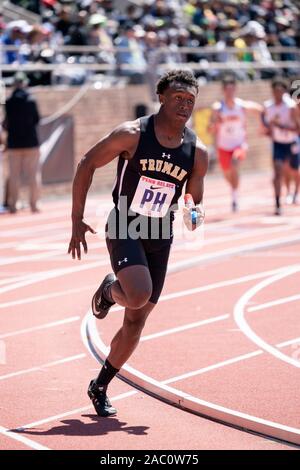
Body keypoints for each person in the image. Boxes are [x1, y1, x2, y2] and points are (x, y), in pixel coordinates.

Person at [68, 69, 208, 417]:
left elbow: (195, 200)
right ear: (161, 96)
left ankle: (99, 385)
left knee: (136, 320)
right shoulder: (133, 134)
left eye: (190, 101)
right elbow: (87, 163)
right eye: (178, 97)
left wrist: (195, 215)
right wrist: (76, 218)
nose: (184, 105)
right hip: (125, 223)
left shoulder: (197, 151)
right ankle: (108, 292)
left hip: (161, 233)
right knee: (139, 293)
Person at [208, 75, 263, 212]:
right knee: (227, 174)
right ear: (223, 90)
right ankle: (234, 190)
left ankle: (235, 198)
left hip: (239, 144)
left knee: (234, 164)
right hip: (223, 146)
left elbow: (261, 110)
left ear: (235, 90)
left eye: (232, 89)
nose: (230, 92)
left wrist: (262, 125)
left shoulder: (242, 106)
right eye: (227, 89)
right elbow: (209, 128)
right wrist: (215, 124)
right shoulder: (218, 108)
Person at [3, 72, 41, 214]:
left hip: (14, 143)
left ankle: (13, 205)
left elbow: (6, 123)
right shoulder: (31, 100)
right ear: (24, 83)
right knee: (33, 175)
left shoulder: (9, 101)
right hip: (31, 142)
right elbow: (37, 120)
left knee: (14, 175)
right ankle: (34, 205)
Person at [262, 77, 300, 215]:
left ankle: (296, 192)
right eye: (275, 91)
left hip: (291, 142)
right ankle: (278, 203)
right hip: (278, 143)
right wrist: (267, 130)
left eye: (280, 91)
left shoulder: (290, 106)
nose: (277, 94)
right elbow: (265, 123)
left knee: (294, 170)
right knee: (278, 171)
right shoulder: (268, 106)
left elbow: (298, 128)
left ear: (284, 91)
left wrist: (281, 126)